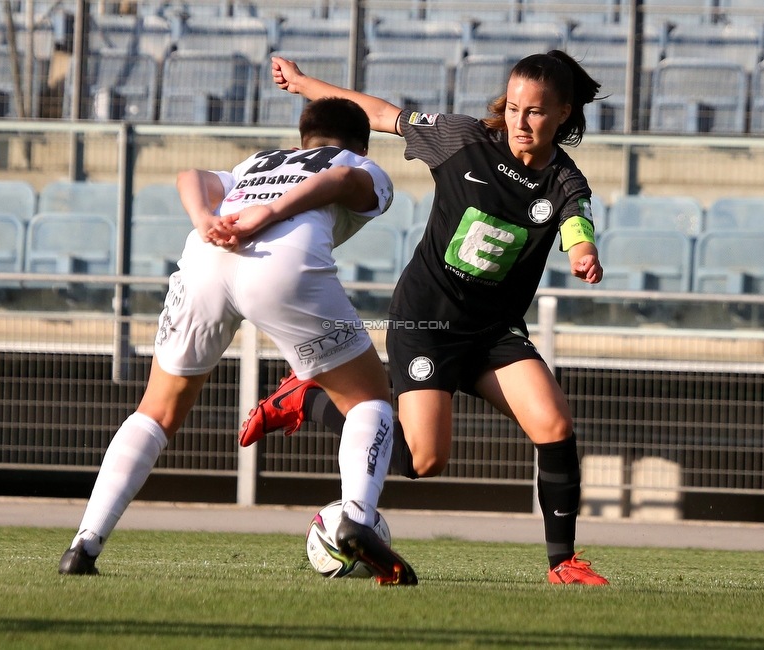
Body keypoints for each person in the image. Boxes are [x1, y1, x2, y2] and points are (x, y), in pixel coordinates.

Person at [240, 51, 608, 585]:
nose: (519, 121)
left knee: (554, 424)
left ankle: (562, 563)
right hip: (427, 322)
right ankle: (306, 398)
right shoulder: (461, 139)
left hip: (495, 332)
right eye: (512, 107)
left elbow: (577, 222)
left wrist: (583, 253)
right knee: (421, 460)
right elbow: (381, 113)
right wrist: (302, 86)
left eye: (535, 112)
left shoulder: (564, 181)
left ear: (563, 115)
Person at [58, 97, 417, 586]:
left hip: (206, 255)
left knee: (157, 411)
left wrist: (205, 217)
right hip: (280, 263)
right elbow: (340, 180)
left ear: (300, 139)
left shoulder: (259, 162)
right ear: (362, 143)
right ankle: (355, 514)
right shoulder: (363, 164)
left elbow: (192, 175)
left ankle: (84, 543)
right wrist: (267, 213)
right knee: (369, 402)